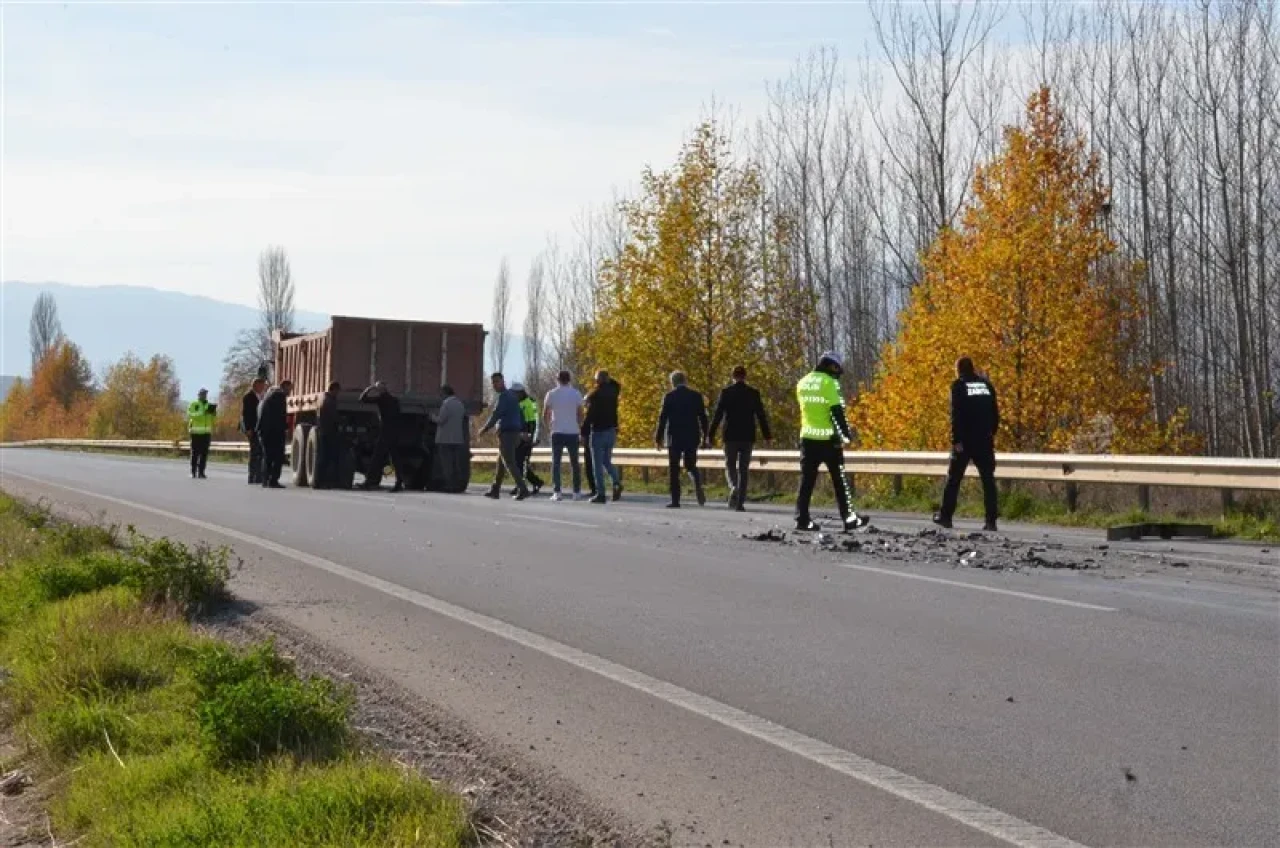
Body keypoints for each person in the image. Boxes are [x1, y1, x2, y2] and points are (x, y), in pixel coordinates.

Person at [794, 353, 869, 532]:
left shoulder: (802, 382)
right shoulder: (829, 383)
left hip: (807, 439)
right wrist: (846, 435)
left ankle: (802, 519)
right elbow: (836, 412)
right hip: (828, 441)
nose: (838, 374)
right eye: (837, 369)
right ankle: (849, 518)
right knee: (840, 482)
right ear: (830, 366)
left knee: (806, 482)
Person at [934, 357, 1000, 532]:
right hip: (985, 440)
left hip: (965, 441)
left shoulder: (958, 386)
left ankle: (945, 516)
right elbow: (995, 412)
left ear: (958, 370)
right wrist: (991, 433)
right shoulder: (986, 385)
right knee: (988, 480)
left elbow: (956, 415)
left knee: (954, 479)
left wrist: (956, 440)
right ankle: (991, 521)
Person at [710, 365, 772, 511]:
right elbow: (761, 415)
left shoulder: (726, 392)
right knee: (743, 469)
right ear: (745, 376)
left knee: (730, 465)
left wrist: (710, 434)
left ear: (733, 376)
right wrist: (767, 436)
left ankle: (734, 486)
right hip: (747, 436)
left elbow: (718, 415)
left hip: (730, 436)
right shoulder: (753, 393)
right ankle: (740, 503)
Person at [654, 371, 709, 508]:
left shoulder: (669, 397)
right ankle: (697, 482)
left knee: (674, 469)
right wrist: (705, 436)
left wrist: (658, 438)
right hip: (692, 436)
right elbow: (703, 417)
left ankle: (675, 500)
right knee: (691, 465)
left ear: (673, 382)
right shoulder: (696, 396)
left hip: (674, 437)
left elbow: (662, 418)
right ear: (685, 381)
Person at [478, 372, 529, 500]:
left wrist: (485, 428)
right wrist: (522, 430)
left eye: (497, 382)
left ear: (503, 382)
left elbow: (496, 414)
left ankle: (523, 489)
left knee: (509, 462)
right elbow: (520, 415)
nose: (495, 385)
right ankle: (495, 489)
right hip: (513, 433)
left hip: (508, 434)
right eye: (493, 382)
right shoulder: (512, 396)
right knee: (501, 462)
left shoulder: (505, 397)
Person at [542, 371, 585, 501]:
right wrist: (579, 427)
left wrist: (549, 426)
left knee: (556, 463)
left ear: (557, 380)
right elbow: (581, 414)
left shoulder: (551, 394)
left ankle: (557, 492)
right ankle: (576, 492)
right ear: (569, 380)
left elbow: (545, 413)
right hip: (573, 432)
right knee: (575, 463)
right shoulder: (576, 394)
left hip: (557, 432)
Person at [584, 370, 623, 504]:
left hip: (598, 431)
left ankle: (601, 494)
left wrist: (583, 431)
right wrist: (607, 378)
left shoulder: (595, 395)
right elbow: (617, 384)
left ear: (598, 380)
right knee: (607, 461)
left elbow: (590, 415)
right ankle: (616, 482)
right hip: (611, 430)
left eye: (596, 379)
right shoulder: (614, 392)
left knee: (597, 465)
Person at [360, 381, 404, 492]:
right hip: (394, 432)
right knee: (395, 458)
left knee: (377, 457)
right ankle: (399, 482)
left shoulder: (381, 399)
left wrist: (369, 389)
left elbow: (363, 399)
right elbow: (398, 415)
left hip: (385, 432)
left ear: (380, 390)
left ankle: (369, 481)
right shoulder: (395, 400)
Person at [434, 384, 469, 493]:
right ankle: (456, 484)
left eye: (441, 394)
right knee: (455, 463)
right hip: (457, 439)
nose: (441, 396)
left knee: (447, 463)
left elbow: (441, 420)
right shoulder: (460, 404)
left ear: (445, 393)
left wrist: (432, 417)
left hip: (445, 439)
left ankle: (449, 485)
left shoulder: (446, 404)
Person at [257, 380, 292, 489]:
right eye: (289, 388)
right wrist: (285, 427)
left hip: (264, 431)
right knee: (277, 457)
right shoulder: (279, 396)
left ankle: (265, 480)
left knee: (267, 456)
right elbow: (279, 416)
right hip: (274, 432)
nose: (290, 391)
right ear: (284, 386)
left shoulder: (266, 396)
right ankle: (273, 480)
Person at [511, 383, 544, 495]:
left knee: (520, 462)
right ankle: (536, 482)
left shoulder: (530, 402)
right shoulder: (517, 403)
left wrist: (533, 437)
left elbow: (534, 421)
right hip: (519, 435)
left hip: (527, 437)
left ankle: (520, 486)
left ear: (520, 392)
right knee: (518, 462)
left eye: (514, 393)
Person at [313, 381, 342, 489]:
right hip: (328, 432)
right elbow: (333, 417)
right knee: (325, 458)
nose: (338, 393)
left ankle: (319, 482)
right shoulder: (329, 401)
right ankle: (321, 482)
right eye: (337, 391)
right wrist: (341, 421)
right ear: (333, 389)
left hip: (323, 431)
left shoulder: (323, 398)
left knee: (323, 457)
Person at [240, 377, 266, 484]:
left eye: (263, 385)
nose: (263, 387)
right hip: (252, 429)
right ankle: (252, 476)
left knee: (260, 453)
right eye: (261, 385)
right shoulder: (248, 397)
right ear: (255, 385)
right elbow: (246, 414)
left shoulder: (263, 397)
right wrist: (248, 429)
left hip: (261, 429)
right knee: (254, 453)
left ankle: (258, 476)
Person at [186, 388, 216, 479]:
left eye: (205, 394)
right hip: (195, 432)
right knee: (195, 453)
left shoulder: (208, 405)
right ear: (199, 395)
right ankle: (193, 472)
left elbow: (212, 419)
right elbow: (191, 415)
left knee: (204, 454)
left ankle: (201, 472)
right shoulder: (194, 404)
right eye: (202, 394)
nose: (204, 395)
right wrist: (202, 412)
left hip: (206, 433)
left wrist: (213, 414)